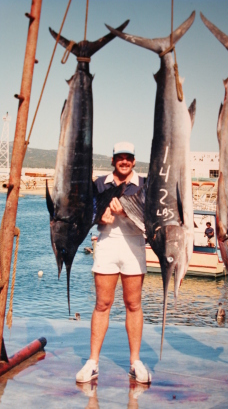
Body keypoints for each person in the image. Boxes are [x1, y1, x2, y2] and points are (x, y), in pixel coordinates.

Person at [76, 142, 151, 384]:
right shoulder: (100, 183)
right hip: (107, 242)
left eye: (128, 157)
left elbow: (150, 219)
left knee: (133, 304)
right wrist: (101, 217)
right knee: (102, 304)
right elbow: (87, 213)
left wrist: (125, 213)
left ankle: (135, 362)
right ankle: (92, 362)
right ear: (112, 160)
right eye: (120, 157)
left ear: (134, 161)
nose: (124, 161)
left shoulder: (144, 184)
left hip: (134, 244)